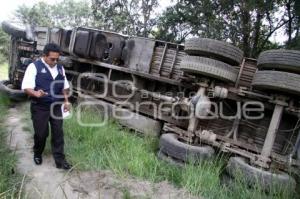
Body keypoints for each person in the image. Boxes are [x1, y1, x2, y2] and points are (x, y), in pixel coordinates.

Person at [22, 43, 72, 170]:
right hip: (40, 106)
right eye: (52, 59)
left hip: (56, 106)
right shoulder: (34, 67)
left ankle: (60, 160)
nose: (55, 61)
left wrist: (66, 101)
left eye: (57, 59)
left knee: (58, 133)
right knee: (41, 134)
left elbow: (64, 87)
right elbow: (26, 87)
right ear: (44, 56)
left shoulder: (60, 68)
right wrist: (36, 93)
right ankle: (38, 153)